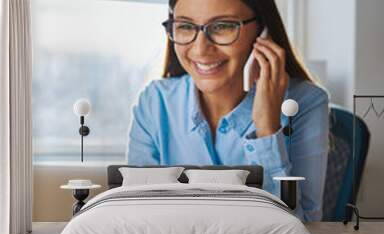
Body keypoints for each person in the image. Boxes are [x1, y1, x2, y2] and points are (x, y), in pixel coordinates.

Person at [126, 0, 329, 222]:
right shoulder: (155, 102)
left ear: (263, 32)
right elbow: (137, 217)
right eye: (185, 26)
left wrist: (267, 128)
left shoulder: (305, 103)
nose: (201, 49)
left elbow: (304, 226)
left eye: (222, 26)